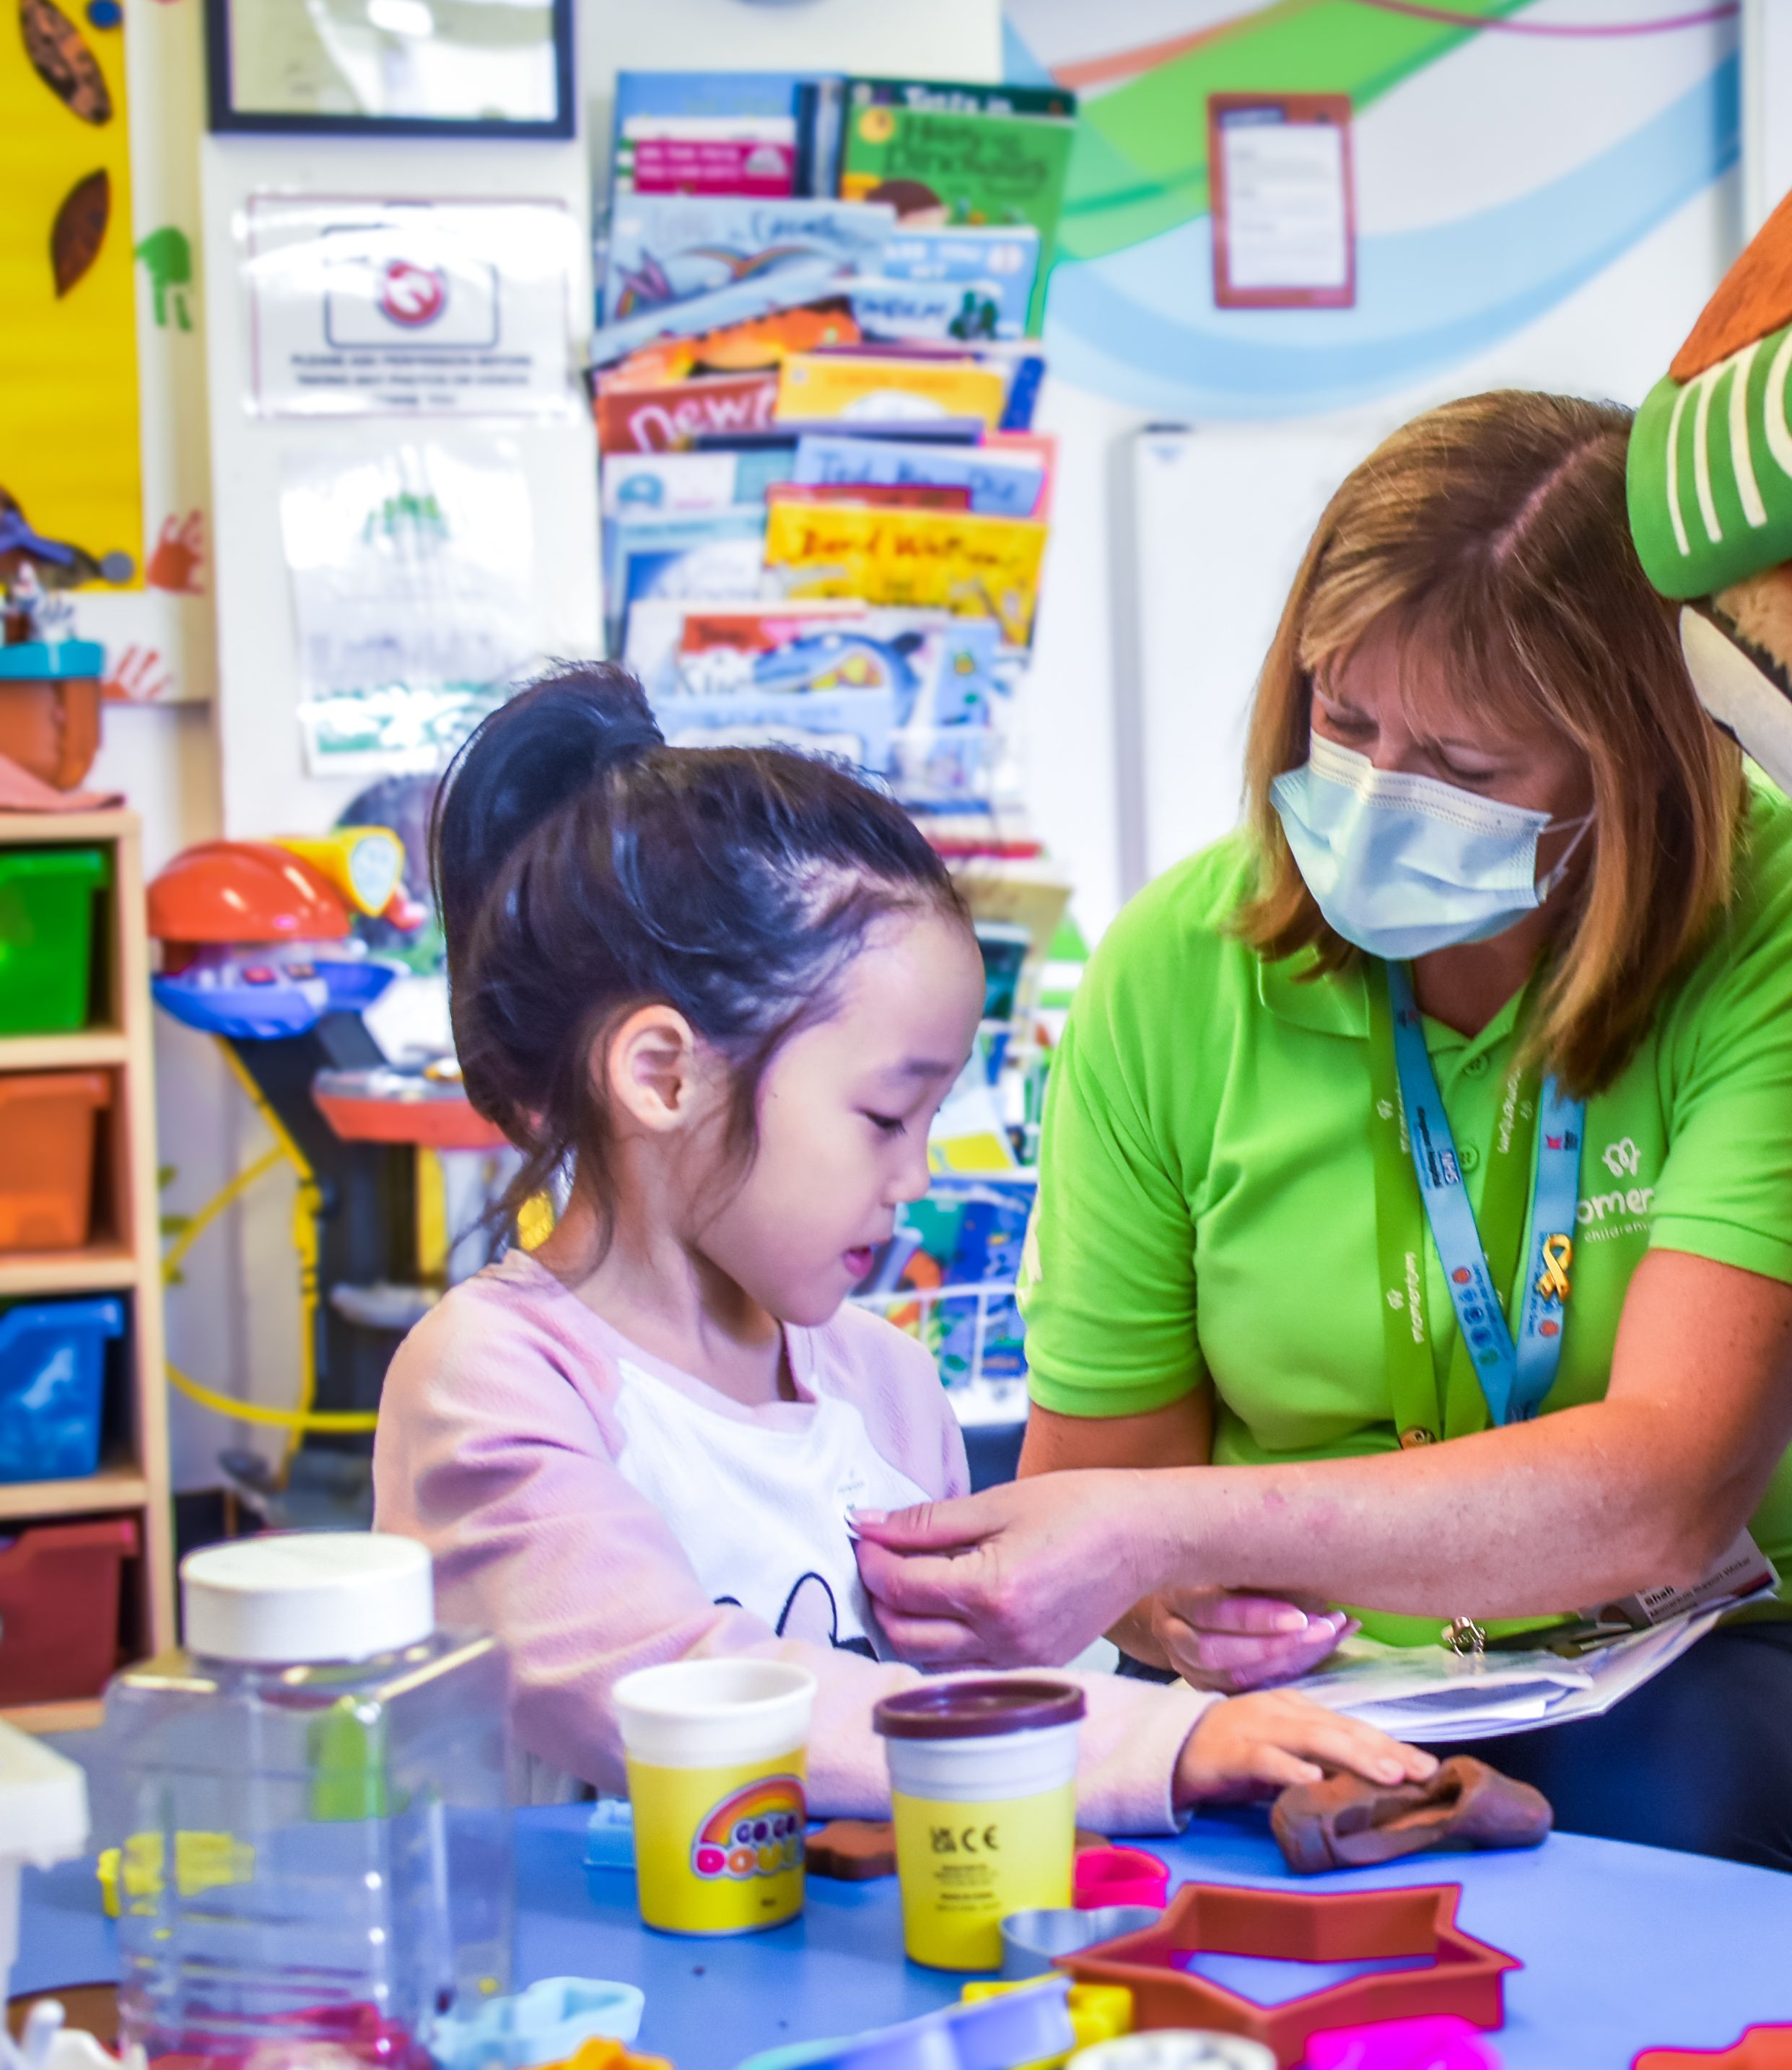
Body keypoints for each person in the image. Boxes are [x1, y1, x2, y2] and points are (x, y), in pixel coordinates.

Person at [856, 392, 1792, 1872]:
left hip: (1751, 1639)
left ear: (1635, 763)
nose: (1382, 799)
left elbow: (1663, 1497)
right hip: (1347, 1677)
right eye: (1346, 719)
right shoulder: (1177, 966)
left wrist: (1174, 1530)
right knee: (1175, 1844)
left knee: (1620, 1824)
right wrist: (1170, 1604)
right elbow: (1106, 1480)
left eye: (1468, 766)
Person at [374, 665, 1430, 1822]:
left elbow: (974, 1709)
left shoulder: (883, 1383)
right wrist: (1157, 1741)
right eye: (885, 1116)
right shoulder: (493, 1382)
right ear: (663, 1075)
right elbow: (681, 1688)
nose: (915, 1178)